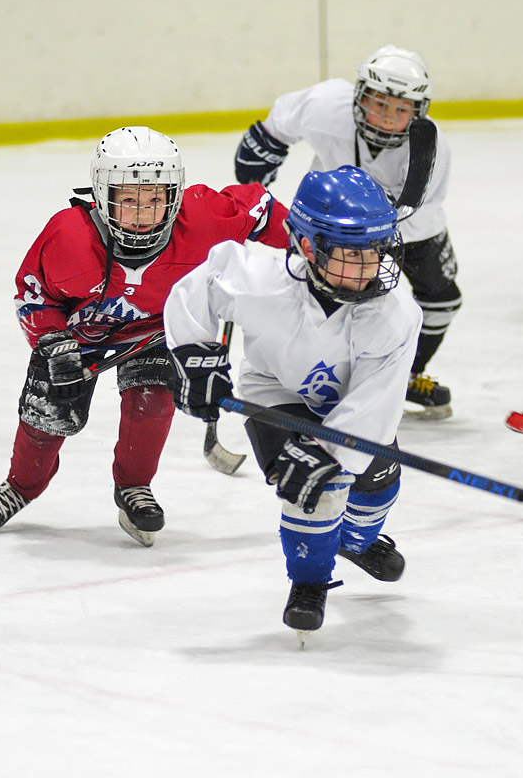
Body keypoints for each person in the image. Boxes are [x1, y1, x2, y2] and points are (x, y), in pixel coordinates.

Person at [0, 126, 289, 546]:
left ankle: (134, 486)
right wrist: (50, 342)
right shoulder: (68, 235)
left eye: (155, 200)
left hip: (155, 333)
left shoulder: (202, 219)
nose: (142, 213)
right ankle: (22, 486)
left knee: (153, 403)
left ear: (174, 197)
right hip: (77, 339)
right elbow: (33, 294)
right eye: (129, 201)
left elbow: (259, 206)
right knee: (47, 417)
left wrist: (312, 244)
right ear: (103, 197)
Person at [163, 166, 421, 638]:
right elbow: (194, 291)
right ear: (308, 246)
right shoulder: (257, 278)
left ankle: (354, 542)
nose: (369, 267)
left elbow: (376, 402)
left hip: (353, 406)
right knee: (312, 488)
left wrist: (332, 448)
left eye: (375, 251)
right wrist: (193, 358)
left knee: (378, 480)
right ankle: (309, 584)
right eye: (351, 253)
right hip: (273, 391)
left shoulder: (395, 313)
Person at [232, 45, 458, 420]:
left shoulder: (430, 150)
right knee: (317, 298)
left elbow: (414, 211)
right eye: (379, 104)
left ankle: (406, 373)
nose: (387, 118)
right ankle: (306, 377)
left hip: (408, 228)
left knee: (442, 301)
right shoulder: (326, 107)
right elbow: (278, 125)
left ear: (418, 113)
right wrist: (260, 164)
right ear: (359, 96)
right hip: (322, 221)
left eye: (401, 110)